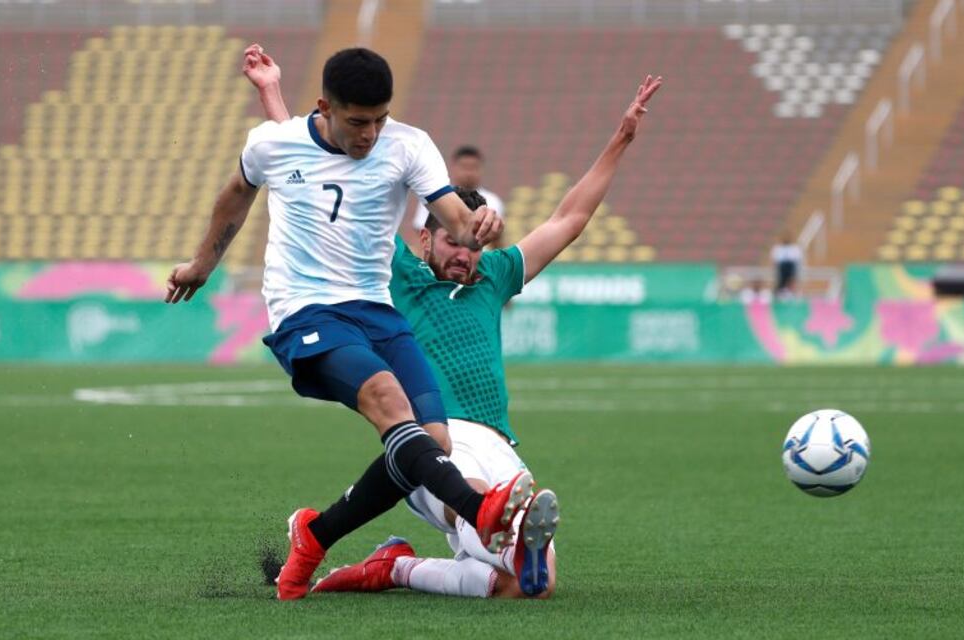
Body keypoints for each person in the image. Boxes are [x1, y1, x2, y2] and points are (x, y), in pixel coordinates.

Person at [244, 44, 663, 599]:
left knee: (528, 587)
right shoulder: (395, 277)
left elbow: (570, 217)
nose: (464, 254)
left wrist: (622, 138)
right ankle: (491, 520)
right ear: (426, 237)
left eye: (468, 244)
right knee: (485, 513)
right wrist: (272, 95)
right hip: (433, 442)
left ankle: (397, 567)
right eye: (450, 240)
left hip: (498, 443)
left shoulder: (497, 276)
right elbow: (312, 177)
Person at [167, 45, 531, 601]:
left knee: (431, 443)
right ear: (326, 108)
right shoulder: (274, 143)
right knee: (388, 400)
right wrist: (201, 265)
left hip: (374, 312)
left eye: (380, 119)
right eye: (359, 122)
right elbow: (236, 197)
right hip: (305, 311)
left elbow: (452, 214)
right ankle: (478, 509)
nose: (370, 134)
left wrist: (477, 225)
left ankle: (315, 535)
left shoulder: (408, 145)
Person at [412, 145, 505, 245]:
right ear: (454, 168)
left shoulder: (493, 201)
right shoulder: (435, 196)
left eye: (474, 167)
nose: (469, 173)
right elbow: (421, 234)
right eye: (464, 167)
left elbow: (497, 240)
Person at [771, 232, 803, 299]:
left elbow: (797, 261)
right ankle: (781, 289)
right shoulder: (778, 248)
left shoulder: (795, 248)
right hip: (782, 270)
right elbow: (775, 262)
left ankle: (790, 288)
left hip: (791, 269)